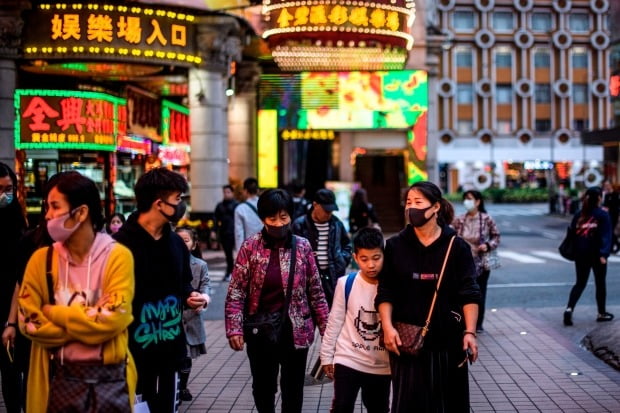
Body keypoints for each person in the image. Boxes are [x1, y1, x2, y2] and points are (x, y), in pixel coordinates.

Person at [18, 171, 137, 413]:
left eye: (54, 206)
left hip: (110, 381)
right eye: (46, 207)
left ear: (81, 212)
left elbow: (115, 318)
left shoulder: (118, 257)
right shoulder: (41, 260)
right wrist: (92, 325)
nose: (48, 215)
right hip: (55, 377)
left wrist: (53, 312)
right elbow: (27, 321)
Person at [375, 181, 481, 413]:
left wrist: (470, 332)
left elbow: (470, 293)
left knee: (449, 403)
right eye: (408, 203)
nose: (411, 208)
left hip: (448, 340)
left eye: (418, 202)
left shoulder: (456, 246)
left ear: (435, 208)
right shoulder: (395, 246)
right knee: (409, 405)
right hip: (407, 340)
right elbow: (385, 291)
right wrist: (387, 327)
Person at [225, 188, 329, 413]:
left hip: (296, 331)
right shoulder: (250, 247)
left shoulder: (302, 247)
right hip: (260, 331)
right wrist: (234, 329)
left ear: (291, 216)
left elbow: (316, 293)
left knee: (293, 390)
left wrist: (327, 333)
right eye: (272, 218)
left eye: (283, 217)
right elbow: (236, 292)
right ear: (263, 218)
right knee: (263, 388)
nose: (278, 223)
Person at [113, 168, 206, 413]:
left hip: (170, 350)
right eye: (177, 199)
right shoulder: (119, 245)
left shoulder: (176, 243)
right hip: (132, 354)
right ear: (158, 203)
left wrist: (190, 296)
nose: (181, 205)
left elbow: (183, 284)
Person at [320, 227, 390, 413]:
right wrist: (326, 356)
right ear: (355, 257)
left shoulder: (392, 286)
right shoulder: (346, 283)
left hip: (382, 364)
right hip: (348, 358)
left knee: (379, 407)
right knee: (342, 406)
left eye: (376, 258)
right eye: (364, 259)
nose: (371, 265)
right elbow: (334, 321)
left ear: (384, 255)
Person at [292, 188, 352, 307]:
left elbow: (347, 245)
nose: (329, 214)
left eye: (331, 211)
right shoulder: (300, 224)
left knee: (332, 313)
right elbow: (291, 249)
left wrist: (342, 260)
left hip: (333, 275)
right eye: (326, 210)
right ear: (315, 205)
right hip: (308, 278)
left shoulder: (336, 224)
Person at [451, 190, 500, 333]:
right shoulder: (459, 219)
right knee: (462, 292)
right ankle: (464, 322)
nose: (467, 201)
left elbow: (496, 236)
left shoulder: (487, 219)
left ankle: (478, 324)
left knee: (479, 293)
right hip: (462, 262)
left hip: (482, 262)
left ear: (478, 201)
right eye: (465, 199)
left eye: (470, 199)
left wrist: (488, 245)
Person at [563, 186, 613, 326]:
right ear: (599, 198)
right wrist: (604, 254)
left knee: (580, 283)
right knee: (600, 284)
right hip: (597, 255)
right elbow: (606, 236)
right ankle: (601, 313)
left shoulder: (580, 214)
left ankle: (569, 309)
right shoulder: (602, 214)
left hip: (581, 254)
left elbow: (572, 233)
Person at [0, 162, 28, 413]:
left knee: (11, 372)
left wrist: (11, 322)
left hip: (11, 308)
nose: (4, 195)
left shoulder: (17, 221)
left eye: (9, 188)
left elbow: (21, 277)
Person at [175, 227, 211, 402]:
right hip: (172, 318)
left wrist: (203, 299)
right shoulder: (168, 263)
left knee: (187, 357)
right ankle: (175, 388)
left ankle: (182, 387)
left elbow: (206, 286)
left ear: (194, 244)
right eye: (178, 240)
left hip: (191, 318)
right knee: (176, 357)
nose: (182, 244)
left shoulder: (200, 265)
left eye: (186, 240)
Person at [215, 184, 238, 280]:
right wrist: (214, 231)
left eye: (228, 192)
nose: (226, 194)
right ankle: (229, 271)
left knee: (239, 254)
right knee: (228, 254)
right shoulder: (220, 206)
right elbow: (215, 219)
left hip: (236, 232)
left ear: (232, 193)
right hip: (225, 233)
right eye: (224, 192)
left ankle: (236, 273)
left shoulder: (237, 205)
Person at [234, 177, 263, 256]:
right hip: (266, 247)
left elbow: (239, 233)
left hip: (249, 248)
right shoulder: (266, 205)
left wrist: (240, 254)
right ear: (257, 190)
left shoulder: (240, 209)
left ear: (245, 191)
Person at [602, 180, 619, 253]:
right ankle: (612, 246)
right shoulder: (606, 195)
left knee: (613, 232)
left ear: (610, 185)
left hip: (615, 215)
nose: (606, 187)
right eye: (605, 185)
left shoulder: (616, 194)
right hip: (608, 216)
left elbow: (617, 205)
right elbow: (605, 205)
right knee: (609, 232)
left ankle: (615, 245)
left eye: (607, 185)